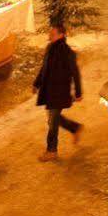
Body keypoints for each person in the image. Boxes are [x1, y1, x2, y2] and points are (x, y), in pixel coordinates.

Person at [34, 23, 85, 160]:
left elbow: (75, 73)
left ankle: (51, 151)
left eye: (53, 34)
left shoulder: (67, 52)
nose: (50, 36)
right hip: (50, 91)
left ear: (61, 35)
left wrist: (78, 92)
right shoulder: (50, 48)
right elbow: (44, 68)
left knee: (53, 122)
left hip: (60, 91)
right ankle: (74, 128)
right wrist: (37, 83)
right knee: (52, 119)